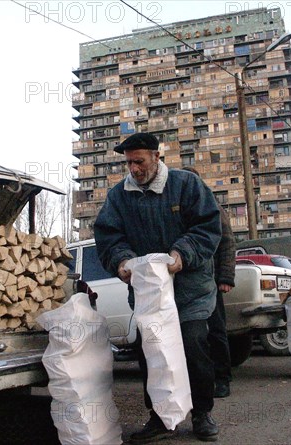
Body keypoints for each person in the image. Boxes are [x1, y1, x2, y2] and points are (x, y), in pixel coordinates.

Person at [94, 132, 222, 443]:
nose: (134, 168)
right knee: (150, 352)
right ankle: (161, 418)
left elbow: (207, 226)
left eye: (139, 161)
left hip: (190, 289)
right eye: (128, 163)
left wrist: (182, 254)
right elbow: (109, 237)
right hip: (148, 294)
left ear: (156, 156)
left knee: (193, 347)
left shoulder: (186, 185)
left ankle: (202, 413)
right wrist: (122, 262)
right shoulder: (118, 196)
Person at [182, 166, 236, 398]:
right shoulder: (178, 206)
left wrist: (225, 277)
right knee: (189, 333)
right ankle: (194, 381)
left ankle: (222, 378)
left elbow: (227, 242)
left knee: (215, 330)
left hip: (211, 280)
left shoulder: (211, 205)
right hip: (185, 280)